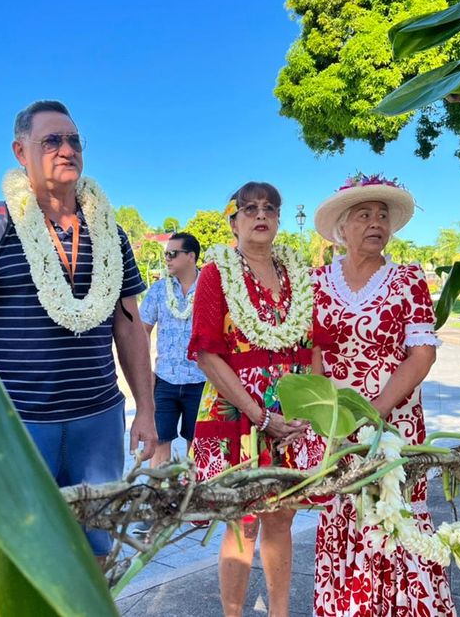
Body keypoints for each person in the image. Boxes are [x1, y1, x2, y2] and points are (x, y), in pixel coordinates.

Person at [0, 99, 157, 558]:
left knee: (98, 552)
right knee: (18, 557)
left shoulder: (111, 234)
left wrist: (146, 409)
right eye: (52, 141)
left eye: (74, 140)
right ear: (21, 152)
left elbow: (131, 328)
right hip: (16, 426)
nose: (66, 149)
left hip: (98, 426)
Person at [310, 174, 455, 616]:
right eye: (364, 214)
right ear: (342, 227)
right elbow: (311, 353)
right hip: (336, 430)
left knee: (397, 514)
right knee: (341, 512)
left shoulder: (409, 280)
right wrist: (327, 418)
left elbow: (421, 355)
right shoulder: (315, 282)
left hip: (393, 425)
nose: (376, 223)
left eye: (382, 216)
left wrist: (372, 413)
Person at [188, 182, 323, 617]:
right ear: (234, 221)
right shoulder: (216, 272)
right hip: (238, 413)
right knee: (242, 520)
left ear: (279, 219)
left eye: (269, 208)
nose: (260, 215)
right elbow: (207, 353)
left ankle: (280, 612)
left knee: (281, 517)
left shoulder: (297, 275)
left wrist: (309, 410)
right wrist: (259, 415)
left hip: (293, 415)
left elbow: (313, 348)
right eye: (249, 208)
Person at [138, 233, 206, 468]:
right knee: (158, 442)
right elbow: (142, 331)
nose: (166, 258)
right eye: (165, 254)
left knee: (197, 445)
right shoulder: (158, 291)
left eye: (172, 254)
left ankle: (194, 495)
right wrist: (147, 371)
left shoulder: (210, 288)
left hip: (202, 380)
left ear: (191, 256)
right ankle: (159, 498)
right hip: (164, 380)